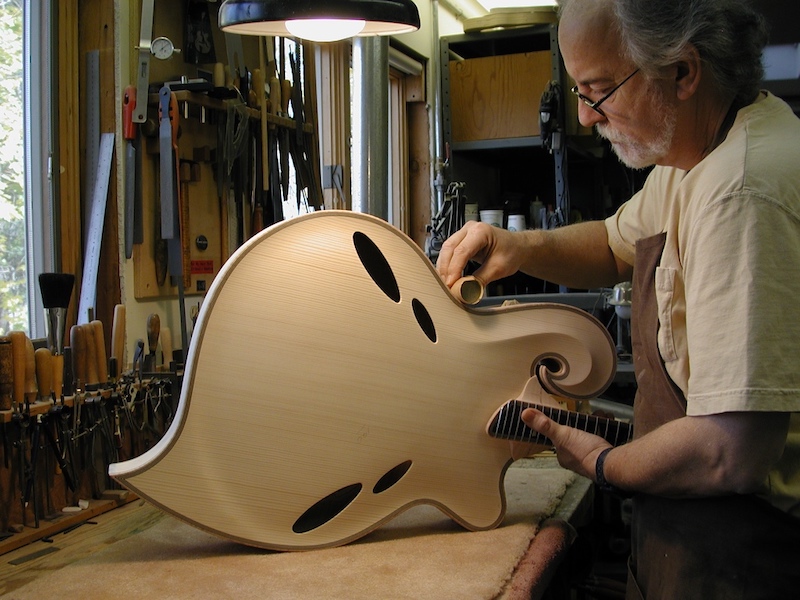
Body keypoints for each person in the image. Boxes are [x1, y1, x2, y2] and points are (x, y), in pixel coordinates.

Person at [437, 0, 800, 597]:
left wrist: (605, 463)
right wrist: (518, 245)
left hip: (749, 553)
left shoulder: (741, 191)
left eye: (598, 90)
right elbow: (613, 243)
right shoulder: (694, 157)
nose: (583, 116)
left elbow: (728, 452)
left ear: (683, 73)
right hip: (692, 533)